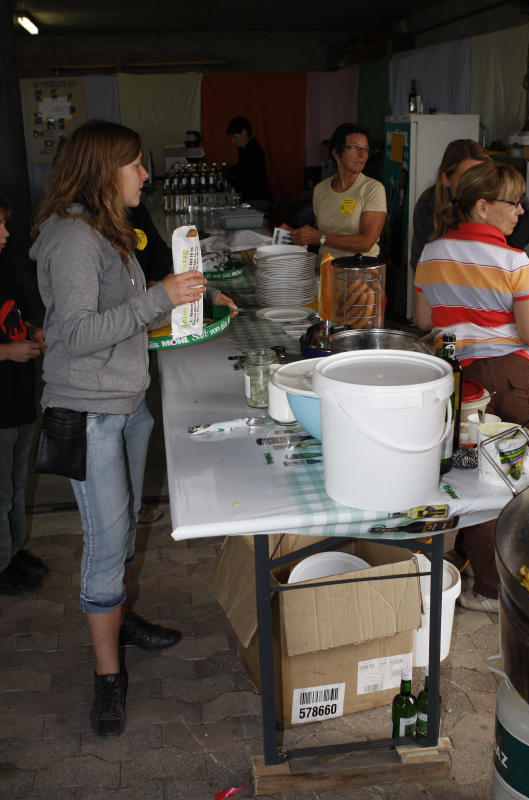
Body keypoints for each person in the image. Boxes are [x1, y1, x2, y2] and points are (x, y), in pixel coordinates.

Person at [30, 120, 207, 737]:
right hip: (91, 414)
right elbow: (76, 333)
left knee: (126, 527)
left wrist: (185, 302)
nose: (145, 174)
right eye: (135, 163)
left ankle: (121, 619)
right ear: (105, 169)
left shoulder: (108, 228)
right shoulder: (73, 239)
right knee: (104, 546)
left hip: (126, 404)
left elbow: (120, 315)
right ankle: (108, 676)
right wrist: (160, 298)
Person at [414, 161, 529, 612]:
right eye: (513, 202)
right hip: (509, 378)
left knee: (469, 472)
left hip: (456, 383)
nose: (520, 211)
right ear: (483, 207)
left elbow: (424, 320)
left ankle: (465, 562)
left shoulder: (432, 251)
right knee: (505, 480)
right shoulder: (514, 261)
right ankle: (489, 587)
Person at [127, 200, 237, 524]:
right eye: (136, 171)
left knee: (136, 429)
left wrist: (208, 294)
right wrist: (156, 295)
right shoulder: (81, 233)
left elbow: (164, 266)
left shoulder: (135, 211)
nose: (145, 176)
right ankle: (126, 509)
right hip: (105, 386)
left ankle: (131, 506)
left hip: (132, 370)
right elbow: (86, 326)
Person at [0, 193, 50, 596]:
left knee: (17, 486)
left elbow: (15, 318)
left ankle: (12, 552)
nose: (5, 232)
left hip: (18, 399)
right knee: (0, 494)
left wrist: (33, 331)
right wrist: (6, 352)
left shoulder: (3, 270)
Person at [410, 138, 529, 270]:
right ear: (446, 179)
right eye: (468, 180)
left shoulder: (516, 206)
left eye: (485, 179)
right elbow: (421, 266)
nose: (478, 188)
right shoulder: (428, 206)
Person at [281, 123, 386, 265]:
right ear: (336, 153)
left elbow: (366, 242)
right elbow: (319, 235)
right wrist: (294, 234)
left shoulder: (372, 189)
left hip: (359, 271)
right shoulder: (321, 189)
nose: (362, 154)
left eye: (366, 149)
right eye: (355, 147)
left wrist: (320, 237)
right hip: (325, 269)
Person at [226, 116, 269, 205]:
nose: (233, 141)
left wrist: (224, 173)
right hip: (251, 198)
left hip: (256, 199)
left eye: (235, 137)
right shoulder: (245, 149)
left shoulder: (253, 149)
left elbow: (240, 169)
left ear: (244, 132)